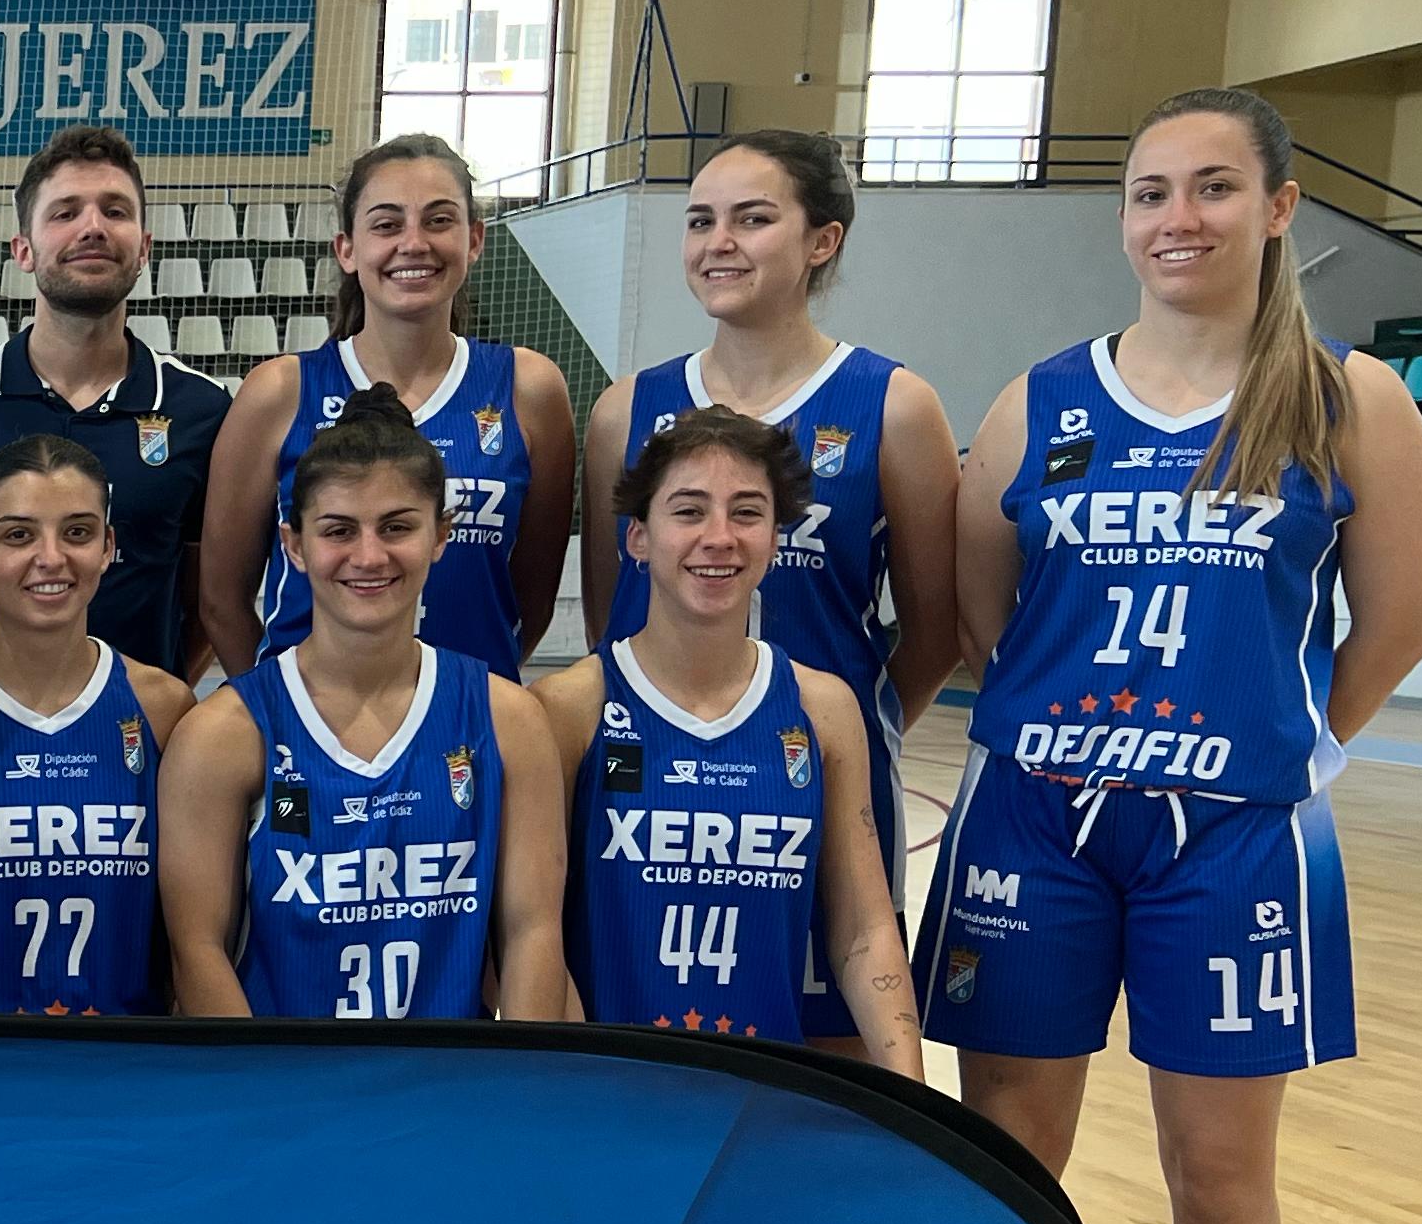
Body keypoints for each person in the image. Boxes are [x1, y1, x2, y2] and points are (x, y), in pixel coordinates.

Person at [922, 85, 1422, 1224]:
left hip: (1232, 836)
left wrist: (1304, 736)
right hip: (1039, 816)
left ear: (1278, 208)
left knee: (1216, 1169)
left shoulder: (1347, 397)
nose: (1177, 218)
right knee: (1009, 1158)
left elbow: (1397, 615)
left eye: (1211, 188)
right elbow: (983, 613)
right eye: (1150, 192)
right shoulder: (1044, 396)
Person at [576, 128, 959, 1051]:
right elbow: (610, 612)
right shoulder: (626, 408)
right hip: (645, 796)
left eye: (753, 219)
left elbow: (939, 626)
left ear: (820, 240)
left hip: (807, 786)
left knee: (832, 1066)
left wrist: (835, 730)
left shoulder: (894, 404)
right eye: (701, 220)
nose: (720, 243)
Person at [161, 385, 569, 1021]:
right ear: (293, 545)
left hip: (450, 1096)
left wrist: (510, 1098)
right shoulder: (223, 733)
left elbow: (533, 935)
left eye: (397, 527)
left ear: (441, 535)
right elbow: (196, 953)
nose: (370, 556)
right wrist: (268, 1105)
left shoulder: (508, 719)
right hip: (290, 1096)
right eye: (339, 530)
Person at [537, 406, 919, 1067]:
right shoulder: (569, 708)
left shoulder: (822, 709)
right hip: (606, 1091)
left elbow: (864, 932)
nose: (719, 537)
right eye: (688, 511)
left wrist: (913, 1093)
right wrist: (577, 1084)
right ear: (638, 537)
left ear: (776, 540)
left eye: (746, 513)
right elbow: (525, 936)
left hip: (762, 1092)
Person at [200, 132, 577, 680]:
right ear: (347, 249)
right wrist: (278, 713)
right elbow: (221, 601)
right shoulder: (279, 392)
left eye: (439, 220)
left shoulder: (529, 389)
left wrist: (460, 697)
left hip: (466, 732)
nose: (414, 242)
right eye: (386, 223)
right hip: (307, 736)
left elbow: (531, 601)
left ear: (474, 240)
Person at [0, 124, 232, 677]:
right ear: (24, 250)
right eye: (65, 213)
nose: (93, 228)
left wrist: (165, 692)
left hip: (136, 741)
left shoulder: (202, 411)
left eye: (115, 211)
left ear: (144, 248)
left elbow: (212, 602)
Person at [0, 436, 186, 1017]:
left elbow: (191, 938)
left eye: (77, 532)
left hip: (118, 1065)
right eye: (19, 535)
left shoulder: (165, 707)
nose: (51, 557)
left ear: (107, 547)